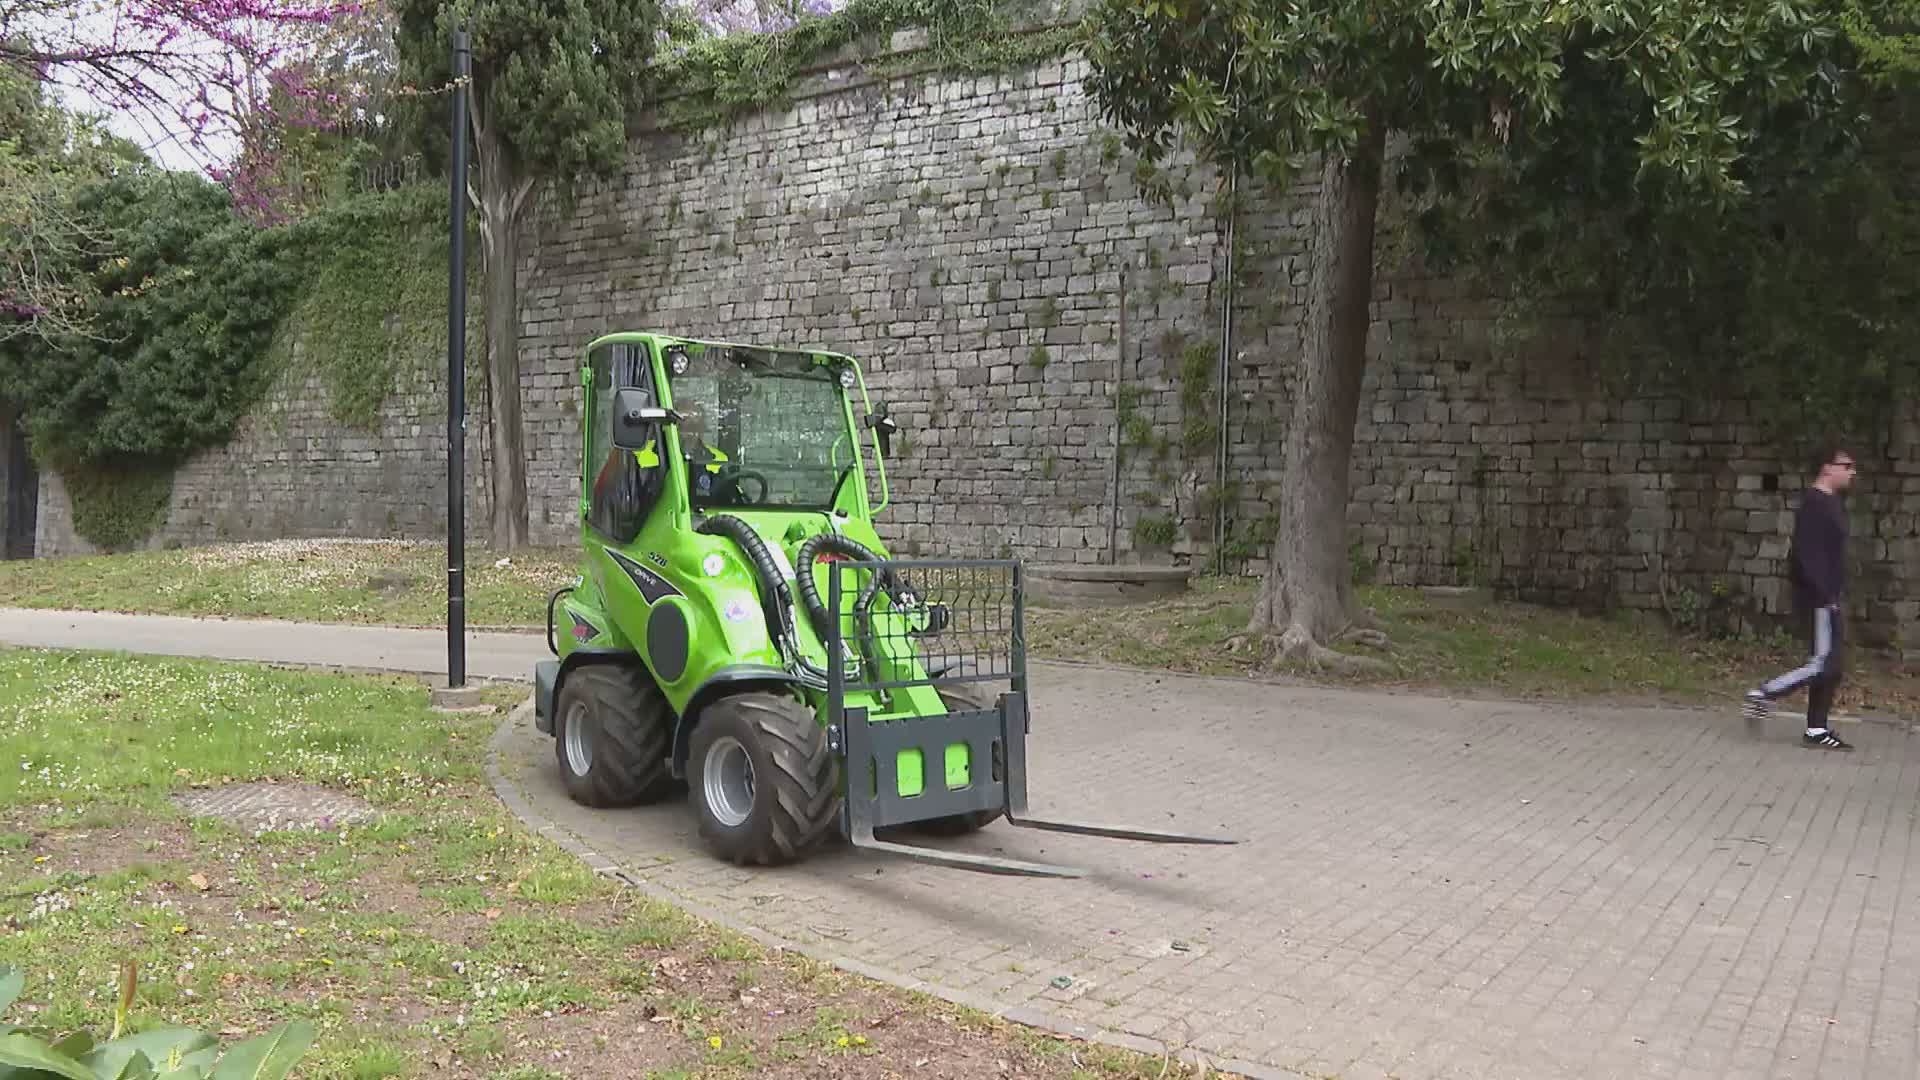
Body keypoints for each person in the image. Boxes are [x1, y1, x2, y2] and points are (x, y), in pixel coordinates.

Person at [1743, 445, 1858, 750]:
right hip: (1821, 599)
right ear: (1827, 467)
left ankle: (1817, 730)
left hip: (1832, 596)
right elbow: (1804, 556)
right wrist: (1823, 595)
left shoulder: (1833, 503)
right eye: (1846, 466)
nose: (1852, 472)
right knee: (1823, 664)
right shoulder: (1814, 504)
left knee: (1832, 667)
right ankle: (1764, 693)